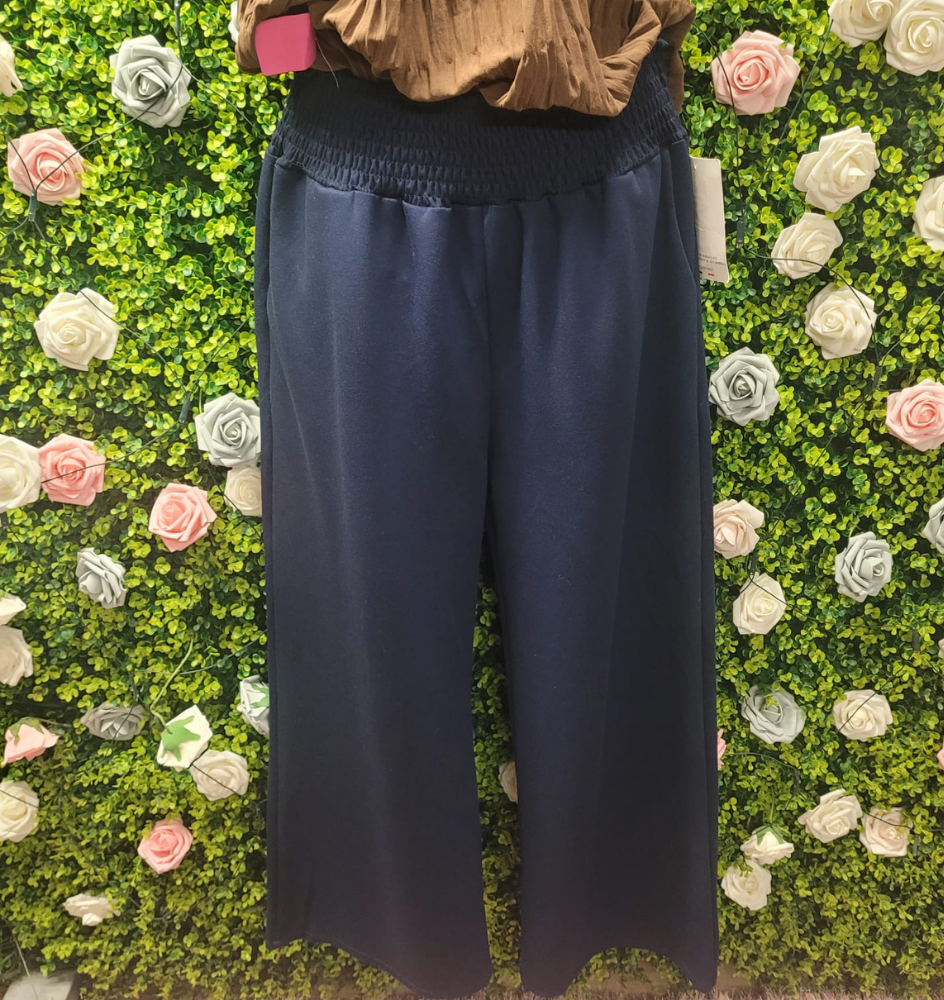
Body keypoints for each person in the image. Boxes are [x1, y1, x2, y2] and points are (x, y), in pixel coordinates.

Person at [236, 1, 719, 995]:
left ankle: (610, 911)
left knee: (612, 597)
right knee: (371, 613)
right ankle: (416, 952)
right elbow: (265, 42)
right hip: (355, 165)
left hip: (599, 167)